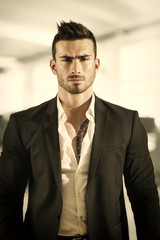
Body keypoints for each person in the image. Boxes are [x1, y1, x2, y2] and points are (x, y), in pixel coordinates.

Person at [0, 21, 160, 240]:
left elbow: (144, 197)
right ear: (54, 66)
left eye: (84, 59)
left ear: (96, 64)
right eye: (66, 59)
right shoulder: (23, 124)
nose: (75, 68)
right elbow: (7, 196)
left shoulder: (126, 122)